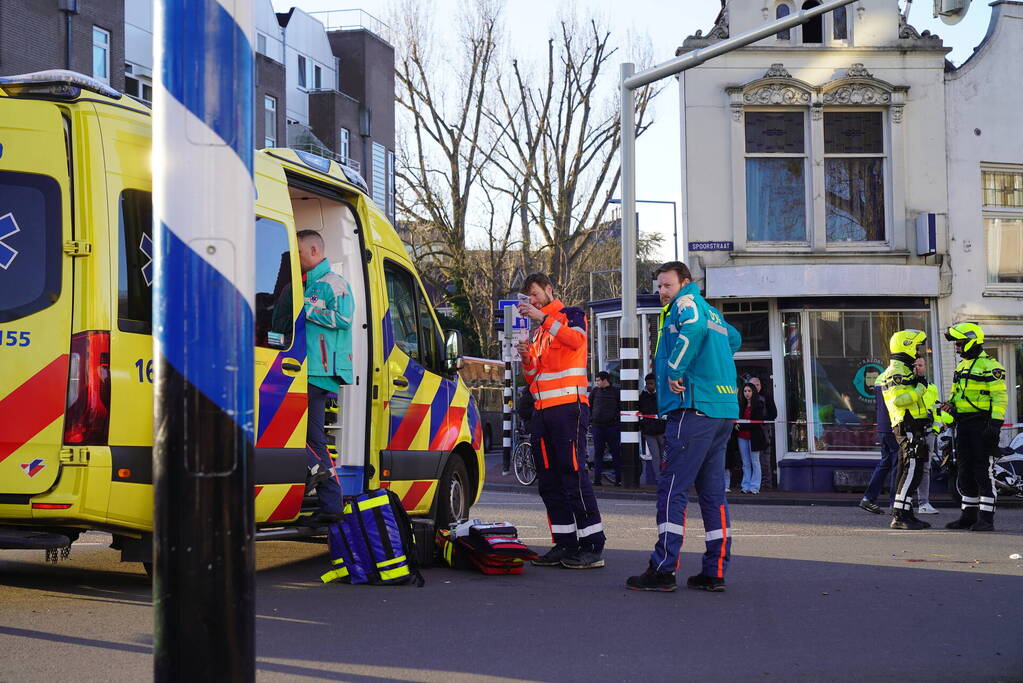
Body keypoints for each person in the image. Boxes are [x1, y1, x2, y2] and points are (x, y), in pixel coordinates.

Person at [626, 261, 741, 593]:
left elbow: (693, 330)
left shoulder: (686, 305)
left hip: (693, 410)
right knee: (712, 493)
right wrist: (710, 367)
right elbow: (734, 339)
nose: (662, 292)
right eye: (659, 286)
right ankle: (715, 570)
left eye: (668, 285)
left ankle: (663, 569)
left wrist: (677, 369)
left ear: (685, 283)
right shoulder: (712, 312)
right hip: (721, 410)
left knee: (672, 489)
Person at [516, 273, 605, 569]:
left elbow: (576, 340)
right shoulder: (541, 332)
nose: (532, 300)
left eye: (535, 293)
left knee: (573, 474)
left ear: (549, 289)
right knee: (549, 481)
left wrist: (542, 318)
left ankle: (593, 544)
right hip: (543, 411)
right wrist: (527, 357)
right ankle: (565, 542)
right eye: (528, 297)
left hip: (569, 408)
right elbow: (534, 379)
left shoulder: (570, 315)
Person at [297, 229, 353, 524]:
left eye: (299, 252)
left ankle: (316, 469)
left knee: (301, 435)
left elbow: (344, 318)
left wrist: (304, 309)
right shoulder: (314, 282)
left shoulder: (331, 283)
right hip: (313, 370)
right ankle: (331, 505)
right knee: (315, 439)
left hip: (318, 370)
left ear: (314, 252)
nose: (296, 256)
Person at [942, 322, 1008, 532]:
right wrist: (949, 409)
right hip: (963, 424)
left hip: (982, 424)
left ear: (972, 341)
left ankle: (986, 519)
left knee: (982, 472)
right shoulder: (961, 366)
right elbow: (956, 396)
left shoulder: (991, 366)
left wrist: (995, 425)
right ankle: (968, 516)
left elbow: (1000, 398)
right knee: (964, 470)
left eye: (959, 343)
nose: (957, 347)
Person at [877, 329, 932, 531]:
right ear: (907, 346)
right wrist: (920, 388)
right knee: (911, 469)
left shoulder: (905, 370)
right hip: (906, 424)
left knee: (911, 469)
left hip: (913, 424)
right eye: (916, 347)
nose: (918, 352)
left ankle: (906, 512)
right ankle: (900, 516)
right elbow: (900, 401)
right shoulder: (896, 373)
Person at [859, 376, 898, 515]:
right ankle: (895, 504)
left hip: (882, 426)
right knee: (897, 465)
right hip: (894, 426)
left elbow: (877, 405)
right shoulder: (898, 375)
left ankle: (868, 498)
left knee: (885, 463)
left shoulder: (880, 378)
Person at [913, 356, 942, 515]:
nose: (918, 367)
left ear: (925, 367)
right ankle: (905, 501)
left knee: (925, 468)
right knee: (909, 467)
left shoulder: (932, 387)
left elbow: (937, 409)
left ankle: (924, 503)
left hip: (929, 432)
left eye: (921, 365)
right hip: (912, 432)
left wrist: (936, 429)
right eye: (915, 365)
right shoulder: (908, 387)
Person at [589, 371, 622, 487]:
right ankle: (597, 480)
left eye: (598, 380)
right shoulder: (595, 392)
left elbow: (620, 407)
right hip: (598, 426)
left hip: (612, 426)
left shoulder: (615, 392)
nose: (596, 382)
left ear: (605, 380)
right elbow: (590, 405)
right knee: (598, 453)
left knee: (616, 453)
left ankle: (619, 479)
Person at [736, 383, 767, 494]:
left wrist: (741, 425)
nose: (747, 393)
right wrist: (737, 425)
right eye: (745, 391)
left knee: (755, 462)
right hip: (742, 437)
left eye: (749, 391)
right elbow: (738, 420)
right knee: (745, 463)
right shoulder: (741, 405)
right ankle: (745, 486)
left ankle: (754, 487)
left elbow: (756, 423)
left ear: (753, 392)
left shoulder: (758, 405)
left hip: (754, 437)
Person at [748, 376, 777, 490]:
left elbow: (773, 414)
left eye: (757, 385)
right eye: (752, 386)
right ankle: (750, 482)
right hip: (748, 432)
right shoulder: (745, 398)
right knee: (748, 459)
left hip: (763, 431)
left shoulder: (766, 397)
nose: (755, 388)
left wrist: (761, 419)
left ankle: (765, 484)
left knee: (764, 459)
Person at [639, 373, 665, 486]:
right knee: (656, 455)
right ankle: (659, 478)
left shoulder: (660, 395)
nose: (650, 386)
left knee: (664, 455)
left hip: (661, 429)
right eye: (648, 384)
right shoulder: (642, 396)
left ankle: (664, 476)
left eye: (651, 383)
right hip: (649, 431)